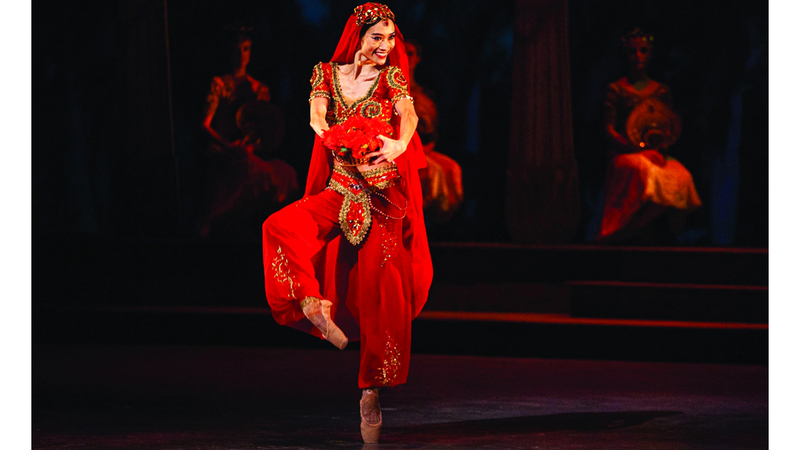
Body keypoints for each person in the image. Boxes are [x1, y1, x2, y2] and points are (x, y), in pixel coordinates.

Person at [261, 3, 432, 444]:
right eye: (378, 37)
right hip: (339, 190)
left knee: (380, 292)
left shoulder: (391, 78)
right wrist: (332, 136)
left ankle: (371, 392)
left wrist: (398, 145)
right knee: (279, 227)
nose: (386, 46)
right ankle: (311, 303)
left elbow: (409, 115)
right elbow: (317, 115)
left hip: (382, 201)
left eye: (391, 38)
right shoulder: (325, 74)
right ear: (358, 36)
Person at [595, 28, 701, 244]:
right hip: (626, 153)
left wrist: (660, 147)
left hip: (655, 152)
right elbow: (609, 129)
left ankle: (639, 227)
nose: (638, 56)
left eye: (643, 51)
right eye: (633, 51)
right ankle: (625, 230)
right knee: (645, 171)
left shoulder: (661, 91)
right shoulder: (616, 89)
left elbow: (668, 126)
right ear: (626, 55)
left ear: (650, 54)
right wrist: (636, 149)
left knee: (682, 176)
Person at [201, 26, 298, 238]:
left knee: (284, 173)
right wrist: (228, 146)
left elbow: (265, 128)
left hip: (249, 152)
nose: (241, 55)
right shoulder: (219, 84)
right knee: (247, 169)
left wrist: (251, 145)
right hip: (225, 151)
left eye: (245, 49)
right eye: (237, 49)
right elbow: (205, 124)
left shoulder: (259, 89)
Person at [405, 39, 464, 224]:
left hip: (421, 147)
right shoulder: (388, 89)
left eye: (410, 54)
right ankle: (417, 219)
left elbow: (432, 129)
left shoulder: (425, 95)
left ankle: (442, 223)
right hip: (399, 148)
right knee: (433, 171)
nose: (406, 58)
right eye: (402, 53)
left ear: (417, 58)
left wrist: (429, 141)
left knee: (452, 169)